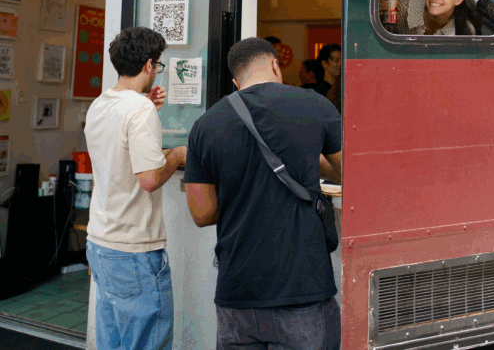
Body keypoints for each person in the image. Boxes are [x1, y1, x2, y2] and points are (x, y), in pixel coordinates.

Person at [183, 37, 342, 350]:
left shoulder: (204, 126)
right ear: (274, 64)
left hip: (237, 294)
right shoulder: (315, 105)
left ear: (235, 81)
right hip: (303, 289)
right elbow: (353, 171)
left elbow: (201, 213)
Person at [84, 27, 187, 350]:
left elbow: (119, 149)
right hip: (134, 250)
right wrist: (177, 155)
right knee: (146, 342)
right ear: (149, 65)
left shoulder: (101, 103)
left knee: (112, 340)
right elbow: (149, 179)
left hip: (100, 242)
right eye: (158, 65)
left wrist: (148, 106)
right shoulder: (138, 110)